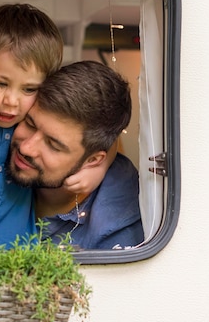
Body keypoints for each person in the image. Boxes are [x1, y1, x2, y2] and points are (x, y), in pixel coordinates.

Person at [0, 4, 108, 247]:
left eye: (29, 89)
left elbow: (103, 135)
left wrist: (99, 167)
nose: (11, 103)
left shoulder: (33, 130)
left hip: (17, 259)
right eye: (0, 83)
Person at [7, 60, 144, 250]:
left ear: (93, 160)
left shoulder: (117, 232)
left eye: (53, 145)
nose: (26, 149)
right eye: (30, 124)